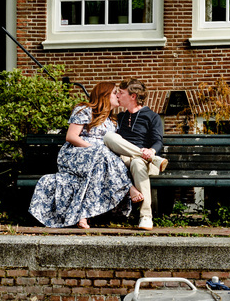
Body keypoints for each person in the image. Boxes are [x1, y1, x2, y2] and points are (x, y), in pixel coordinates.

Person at [28, 82, 143, 229]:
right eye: (115, 93)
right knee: (102, 153)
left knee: (100, 165)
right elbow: (71, 137)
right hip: (75, 155)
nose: (118, 96)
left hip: (99, 161)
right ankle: (128, 187)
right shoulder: (84, 110)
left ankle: (83, 216)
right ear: (104, 95)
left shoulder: (113, 121)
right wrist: (94, 149)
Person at [103, 79, 167, 230]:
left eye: (121, 92)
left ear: (133, 96)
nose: (118, 95)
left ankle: (146, 217)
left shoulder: (152, 116)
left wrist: (151, 151)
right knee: (109, 137)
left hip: (144, 162)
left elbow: (158, 141)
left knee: (137, 163)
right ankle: (154, 159)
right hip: (123, 160)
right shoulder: (119, 117)